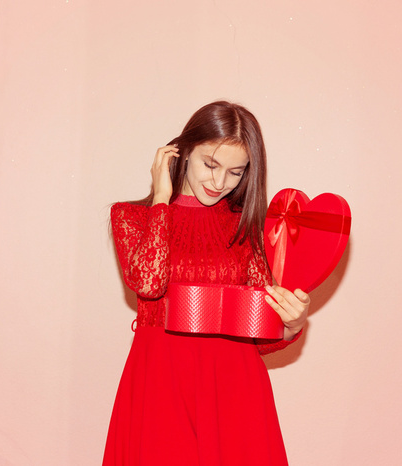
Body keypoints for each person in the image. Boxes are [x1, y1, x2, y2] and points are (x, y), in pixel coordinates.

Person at [103, 101, 310, 465]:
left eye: (236, 172)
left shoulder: (245, 227)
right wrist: (163, 199)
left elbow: (258, 337)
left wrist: (291, 325)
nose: (219, 183)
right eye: (210, 165)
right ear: (181, 153)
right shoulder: (132, 217)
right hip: (159, 384)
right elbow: (148, 284)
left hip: (234, 388)